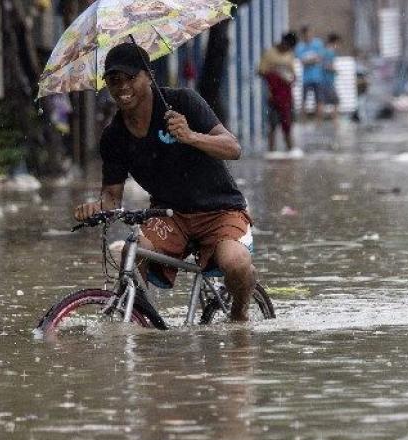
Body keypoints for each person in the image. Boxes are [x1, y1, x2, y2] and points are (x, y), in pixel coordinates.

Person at [73, 42, 255, 321]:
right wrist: (95, 208)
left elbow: (233, 148)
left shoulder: (182, 102)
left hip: (220, 210)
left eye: (130, 78)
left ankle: (240, 318)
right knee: (132, 254)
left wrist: (191, 136)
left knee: (236, 262)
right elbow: (112, 197)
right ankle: (140, 325)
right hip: (169, 216)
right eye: (113, 80)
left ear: (149, 75)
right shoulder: (113, 137)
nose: (122, 87)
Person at [258, 32, 301, 158]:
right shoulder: (269, 54)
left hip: (287, 96)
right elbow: (261, 71)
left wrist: (290, 78)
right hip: (273, 96)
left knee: (287, 124)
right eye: (287, 46)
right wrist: (275, 73)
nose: (288, 49)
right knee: (272, 124)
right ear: (283, 43)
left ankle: (290, 149)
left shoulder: (290, 55)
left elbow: (293, 75)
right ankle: (271, 151)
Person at [295, 26, 325, 122]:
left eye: (310, 33)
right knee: (304, 100)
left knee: (319, 100)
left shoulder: (318, 43)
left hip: (317, 77)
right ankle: (303, 120)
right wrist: (313, 60)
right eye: (306, 34)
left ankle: (318, 120)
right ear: (303, 35)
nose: (309, 36)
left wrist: (310, 60)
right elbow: (302, 61)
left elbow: (320, 58)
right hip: (306, 78)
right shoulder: (300, 46)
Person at [320, 33, 341, 125]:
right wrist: (334, 70)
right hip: (327, 80)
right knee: (336, 101)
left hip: (324, 80)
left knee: (322, 101)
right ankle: (335, 121)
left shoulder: (324, 51)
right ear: (335, 42)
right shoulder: (330, 52)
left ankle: (320, 121)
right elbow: (326, 65)